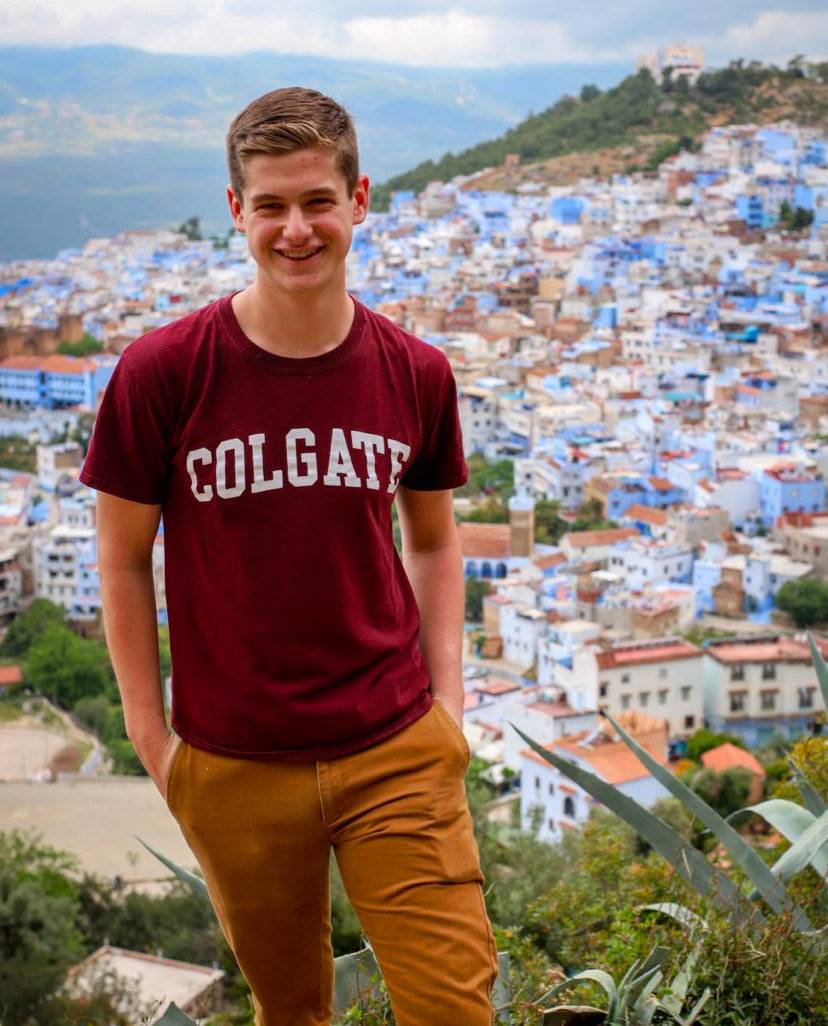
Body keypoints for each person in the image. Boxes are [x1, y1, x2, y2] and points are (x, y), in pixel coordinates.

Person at [79, 86, 499, 1026]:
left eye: (317, 200)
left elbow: (433, 540)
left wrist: (448, 708)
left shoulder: (415, 372)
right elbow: (120, 560)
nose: (296, 229)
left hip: (395, 748)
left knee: (455, 1008)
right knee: (291, 1014)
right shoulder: (163, 373)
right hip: (233, 762)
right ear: (237, 211)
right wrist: (157, 744)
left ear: (360, 200)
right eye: (271, 205)